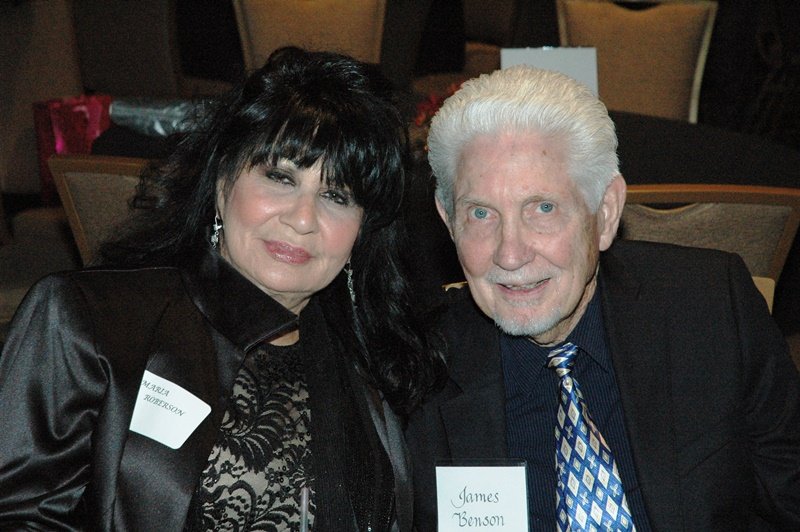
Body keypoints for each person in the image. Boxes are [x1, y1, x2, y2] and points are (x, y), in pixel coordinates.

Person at [0, 47, 445, 531]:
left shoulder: (373, 364)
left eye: (336, 196)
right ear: (222, 181)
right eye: (280, 177)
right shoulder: (89, 321)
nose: (302, 219)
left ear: (363, 231)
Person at [405, 66, 800, 530]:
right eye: (480, 213)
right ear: (448, 220)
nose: (510, 254)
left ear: (606, 213)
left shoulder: (711, 310)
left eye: (543, 208)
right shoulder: (415, 366)